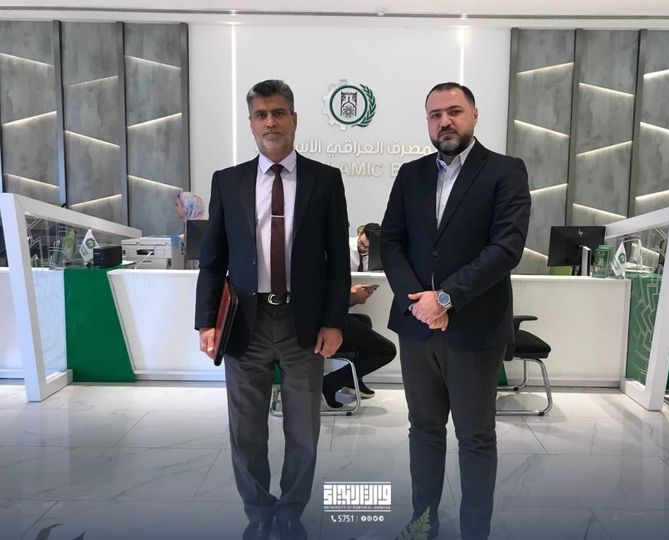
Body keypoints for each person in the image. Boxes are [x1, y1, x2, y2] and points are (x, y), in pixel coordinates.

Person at [195, 80, 350, 540]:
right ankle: (259, 513)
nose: (270, 122)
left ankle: (291, 512)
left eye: (279, 113)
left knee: (303, 431)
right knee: (246, 431)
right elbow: (212, 259)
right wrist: (206, 322)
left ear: (294, 119)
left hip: (304, 323)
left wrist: (334, 321)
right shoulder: (228, 181)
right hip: (246, 323)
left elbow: (338, 261)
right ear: (251, 124)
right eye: (261, 115)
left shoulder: (325, 179)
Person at [381, 82, 530, 540]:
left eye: (454, 111)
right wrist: (419, 302)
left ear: (474, 115)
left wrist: (445, 298)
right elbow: (391, 242)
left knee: (475, 436)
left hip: (475, 329)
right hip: (417, 329)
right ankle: (422, 524)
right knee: (424, 430)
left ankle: (474, 531)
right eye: (434, 115)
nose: (444, 121)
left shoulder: (505, 171)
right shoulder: (410, 174)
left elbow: (506, 248)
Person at [321, 281, 397, 408]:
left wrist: (353, 295)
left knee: (364, 321)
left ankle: (351, 380)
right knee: (387, 350)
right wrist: (351, 295)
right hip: (323, 323)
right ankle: (329, 383)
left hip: (322, 316)